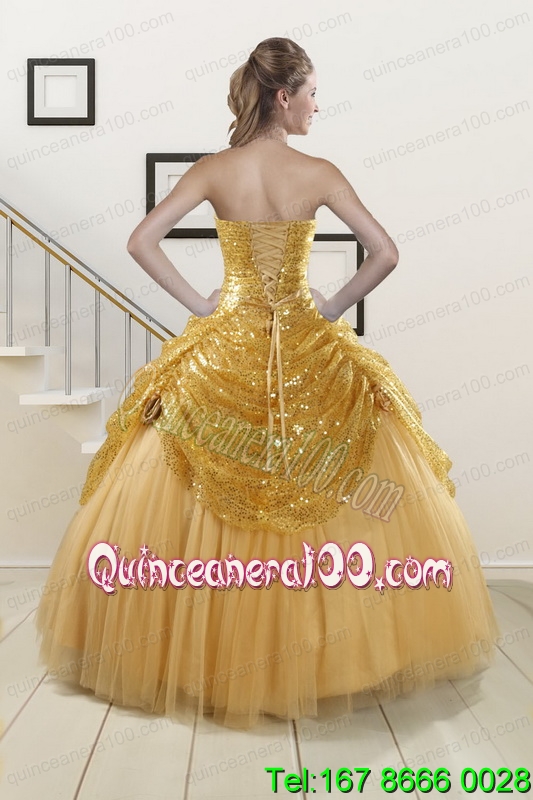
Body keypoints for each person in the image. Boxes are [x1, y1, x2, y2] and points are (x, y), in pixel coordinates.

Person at [35, 37, 500, 731]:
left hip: (226, 337)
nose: (317, 105)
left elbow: (141, 240)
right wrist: (331, 308)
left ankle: (197, 652)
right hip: (306, 339)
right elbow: (385, 253)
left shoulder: (214, 169)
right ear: (284, 97)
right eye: (311, 93)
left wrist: (204, 305)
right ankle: (323, 657)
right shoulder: (318, 172)